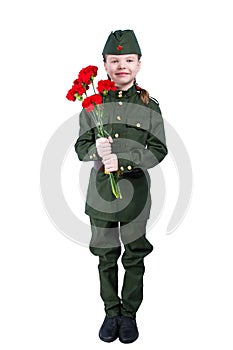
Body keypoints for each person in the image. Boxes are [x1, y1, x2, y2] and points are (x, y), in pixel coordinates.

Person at [74, 29, 168, 344]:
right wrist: (95, 153)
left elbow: (158, 149)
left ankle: (129, 315)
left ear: (139, 64)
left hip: (136, 196)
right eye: (115, 60)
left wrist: (124, 161)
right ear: (105, 64)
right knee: (106, 255)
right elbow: (80, 146)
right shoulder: (92, 104)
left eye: (128, 59)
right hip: (102, 194)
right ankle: (111, 312)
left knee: (135, 256)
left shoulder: (149, 105)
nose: (121, 65)